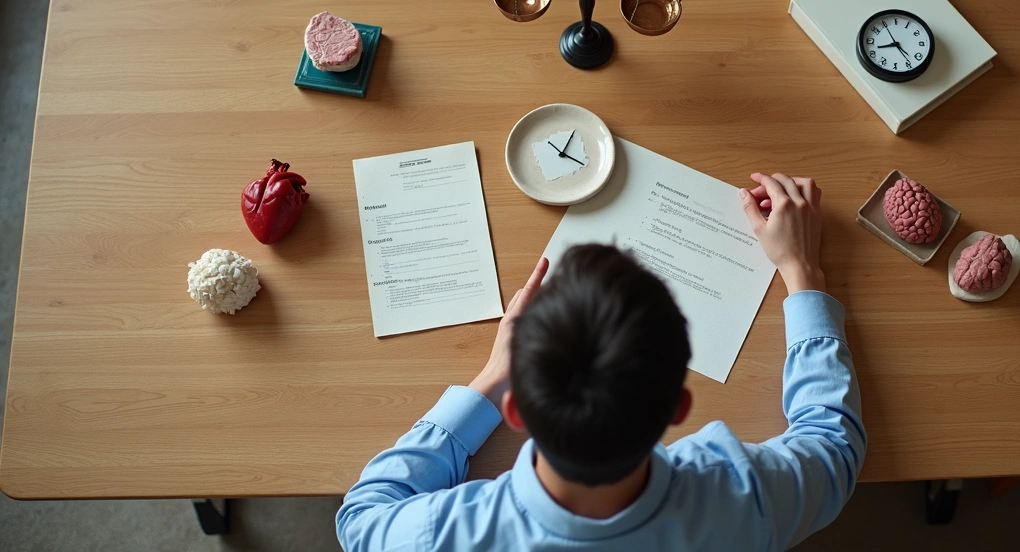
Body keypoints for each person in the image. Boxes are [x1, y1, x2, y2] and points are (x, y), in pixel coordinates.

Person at [336, 173, 866, 551]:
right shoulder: (743, 497)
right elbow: (833, 447)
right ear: (679, 407)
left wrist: (491, 378)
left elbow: (360, 520)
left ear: (515, 410)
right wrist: (801, 270)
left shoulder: (440, 535)